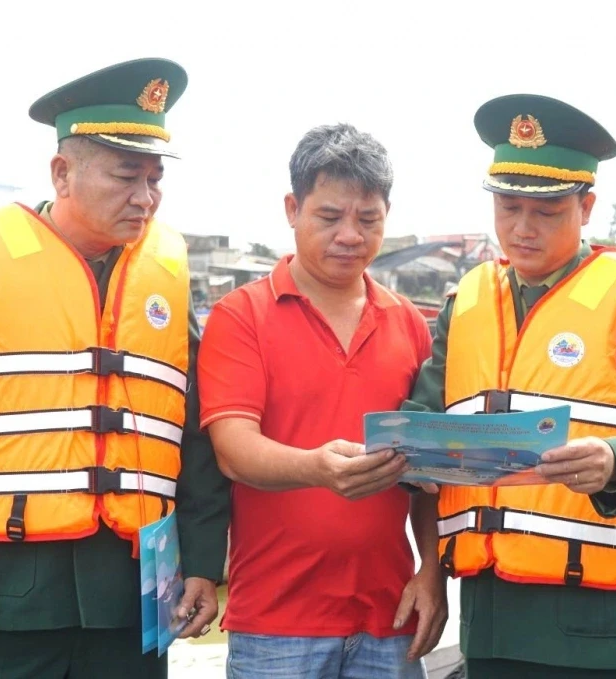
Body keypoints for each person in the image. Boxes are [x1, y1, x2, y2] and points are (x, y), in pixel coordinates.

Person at [0, 57, 231, 678]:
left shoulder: (168, 276)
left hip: (137, 601)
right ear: (62, 172)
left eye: (156, 178)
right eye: (127, 175)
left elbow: (194, 433)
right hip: (2, 602)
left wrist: (205, 563)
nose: (146, 197)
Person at [402, 94, 616, 678]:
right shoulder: (464, 303)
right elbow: (422, 423)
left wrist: (615, 459)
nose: (522, 229)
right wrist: (399, 456)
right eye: (508, 207)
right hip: (491, 620)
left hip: (605, 627)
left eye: (545, 212)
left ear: (586, 205)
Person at [197, 123, 448, 679]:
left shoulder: (410, 322)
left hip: (390, 615)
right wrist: (315, 468)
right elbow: (233, 450)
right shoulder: (243, 316)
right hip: (277, 622)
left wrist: (433, 569)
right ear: (293, 208)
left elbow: (429, 466)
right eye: (329, 217)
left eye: (368, 219)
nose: (350, 236)